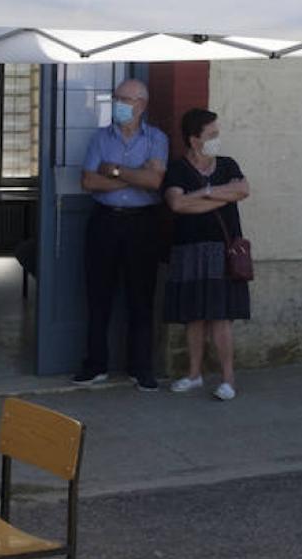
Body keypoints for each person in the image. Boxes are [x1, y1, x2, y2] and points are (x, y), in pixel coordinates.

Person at [74, 76, 170, 391]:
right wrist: (136, 176)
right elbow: (88, 181)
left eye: (124, 100)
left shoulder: (156, 138)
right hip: (105, 222)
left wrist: (114, 170)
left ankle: (140, 368)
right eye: (116, 98)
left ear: (141, 105)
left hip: (143, 224)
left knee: (141, 297)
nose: (118, 104)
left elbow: (155, 182)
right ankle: (95, 365)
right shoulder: (100, 138)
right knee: (98, 295)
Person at [162, 108, 251, 400]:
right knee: (194, 317)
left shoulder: (227, 164)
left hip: (222, 251)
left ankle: (228, 379)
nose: (217, 139)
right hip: (189, 250)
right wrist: (221, 195)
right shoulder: (178, 169)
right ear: (194, 139)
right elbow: (177, 204)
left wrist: (203, 193)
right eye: (211, 134)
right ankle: (194, 374)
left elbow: (242, 190)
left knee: (221, 317)